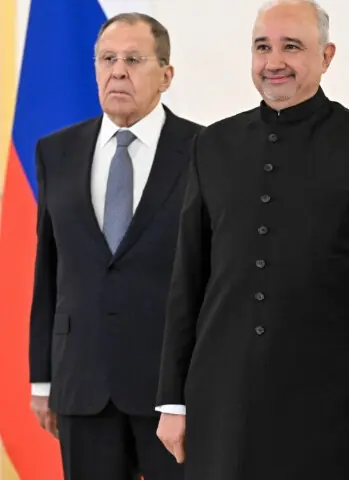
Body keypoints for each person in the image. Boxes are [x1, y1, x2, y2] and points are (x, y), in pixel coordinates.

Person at [154, 0, 349, 478]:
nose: (273, 61)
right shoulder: (212, 146)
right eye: (262, 47)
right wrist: (173, 400)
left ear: (326, 56)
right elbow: (188, 280)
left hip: (331, 403)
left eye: (291, 47)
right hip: (222, 401)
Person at [28, 13, 202, 480]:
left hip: (174, 390)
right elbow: (49, 270)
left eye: (133, 59)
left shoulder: (206, 150)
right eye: (107, 59)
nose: (118, 70)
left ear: (166, 75)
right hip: (82, 384)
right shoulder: (56, 151)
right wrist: (42, 380)